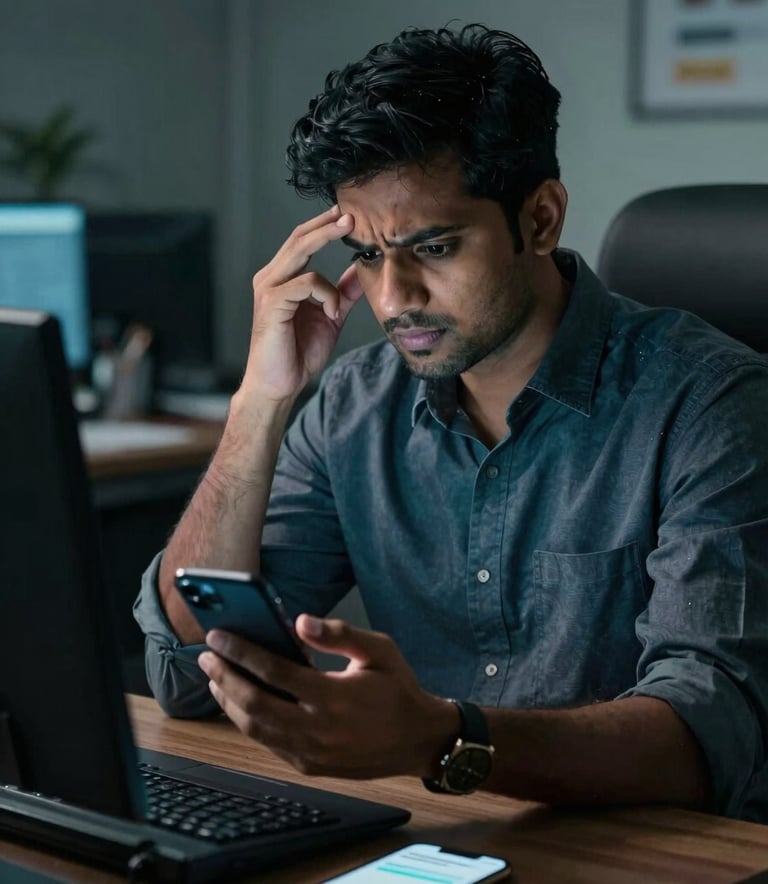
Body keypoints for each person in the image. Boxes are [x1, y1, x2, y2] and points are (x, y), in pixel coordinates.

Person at [134, 23, 768, 820]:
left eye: (432, 247)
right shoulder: (352, 406)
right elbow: (189, 670)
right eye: (365, 254)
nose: (394, 299)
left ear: (539, 219)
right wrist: (260, 403)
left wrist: (440, 738)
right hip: (447, 837)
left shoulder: (712, 404)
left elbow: (714, 737)